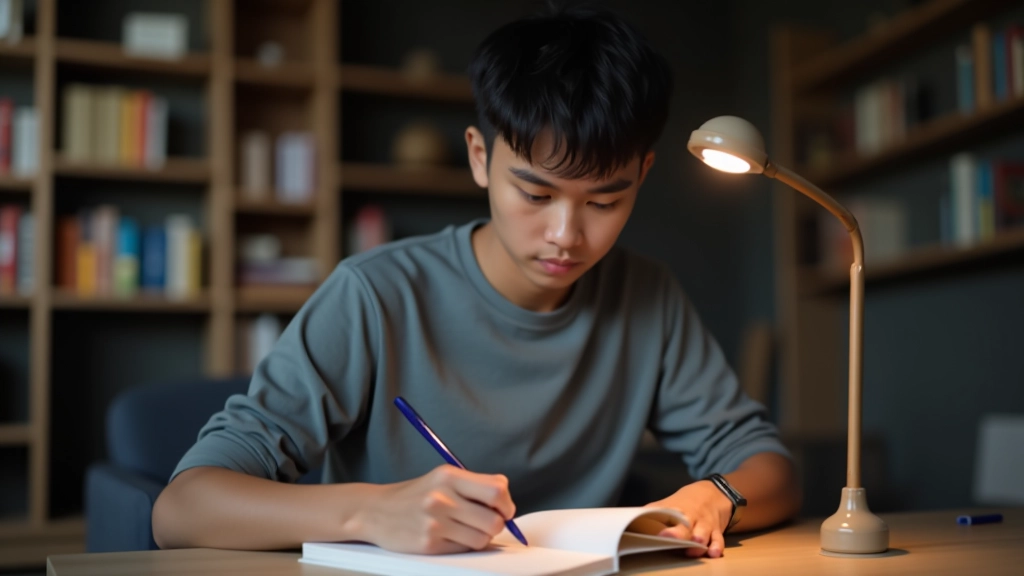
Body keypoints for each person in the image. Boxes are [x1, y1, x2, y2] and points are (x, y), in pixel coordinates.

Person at [152, 4, 801, 559]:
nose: (566, 234)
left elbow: (768, 466)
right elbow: (182, 507)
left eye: (605, 202)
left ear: (644, 174)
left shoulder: (648, 298)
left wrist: (717, 494)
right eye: (536, 192)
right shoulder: (376, 296)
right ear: (479, 157)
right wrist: (368, 514)